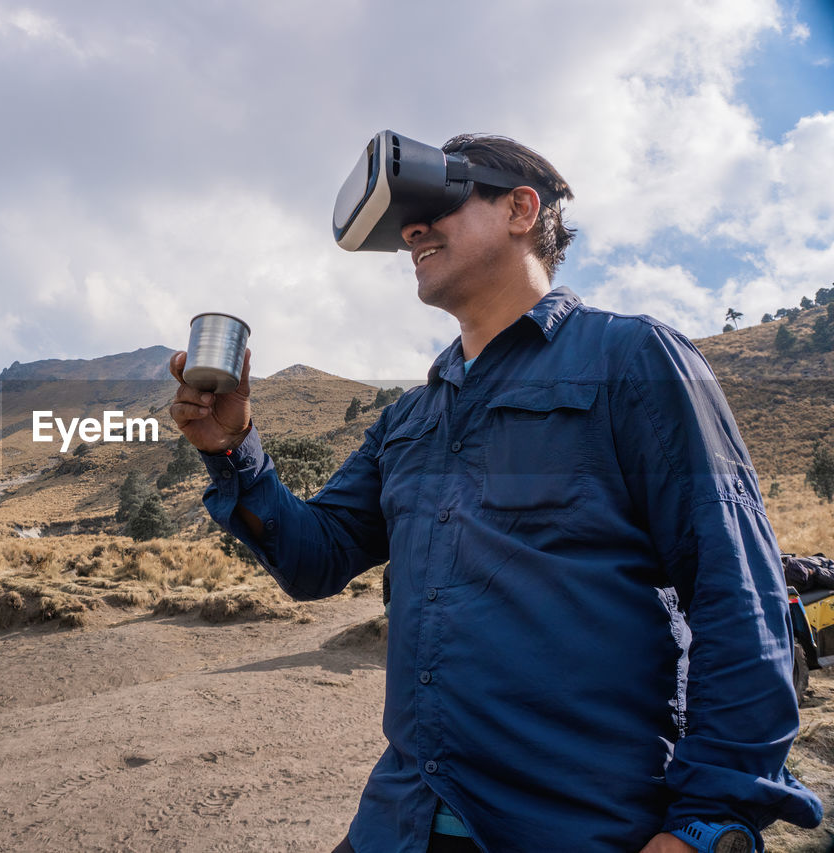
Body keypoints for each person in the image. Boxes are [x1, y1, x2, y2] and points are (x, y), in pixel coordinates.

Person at [168, 134, 822, 852]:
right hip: (402, 821)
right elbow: (313, 556)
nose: (412, 229)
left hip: (577, 824)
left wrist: (707, 819)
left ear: (520, 209)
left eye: (436, 203)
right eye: (404, 220)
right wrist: (234, 451)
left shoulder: (634, 361)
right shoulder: (411, 418)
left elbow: (739, 589)